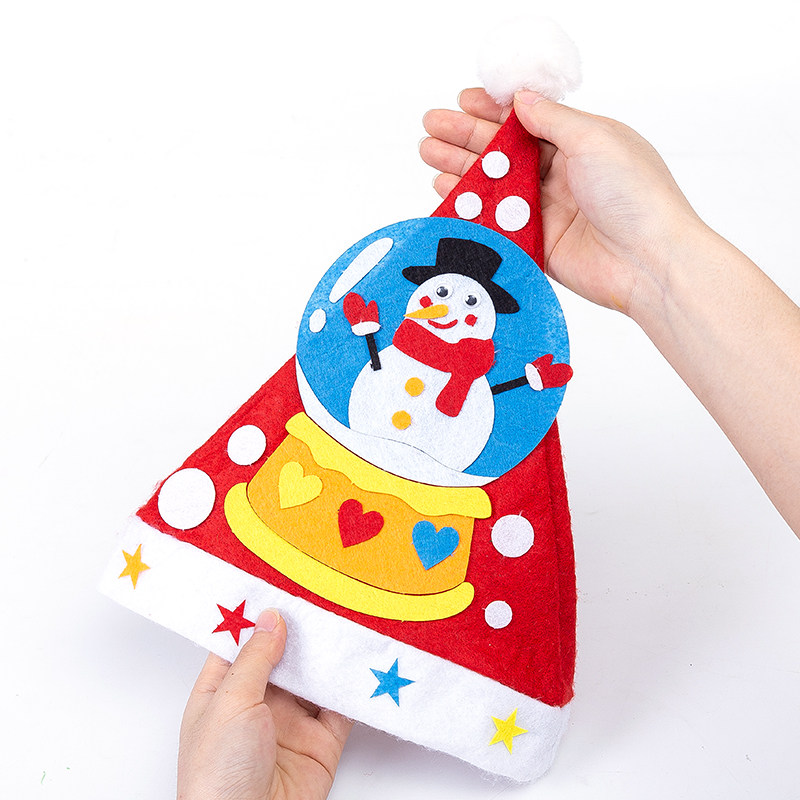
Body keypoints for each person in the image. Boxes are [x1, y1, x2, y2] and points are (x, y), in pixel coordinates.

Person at [176, 89, 800, 799]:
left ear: (488, 319)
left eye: (465, 303)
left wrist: (638, 279)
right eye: (439, 296)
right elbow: (368, 357)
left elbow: (499, 392)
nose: (448, 310)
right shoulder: (396, 341)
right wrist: (367, 330)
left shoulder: (479, 373)